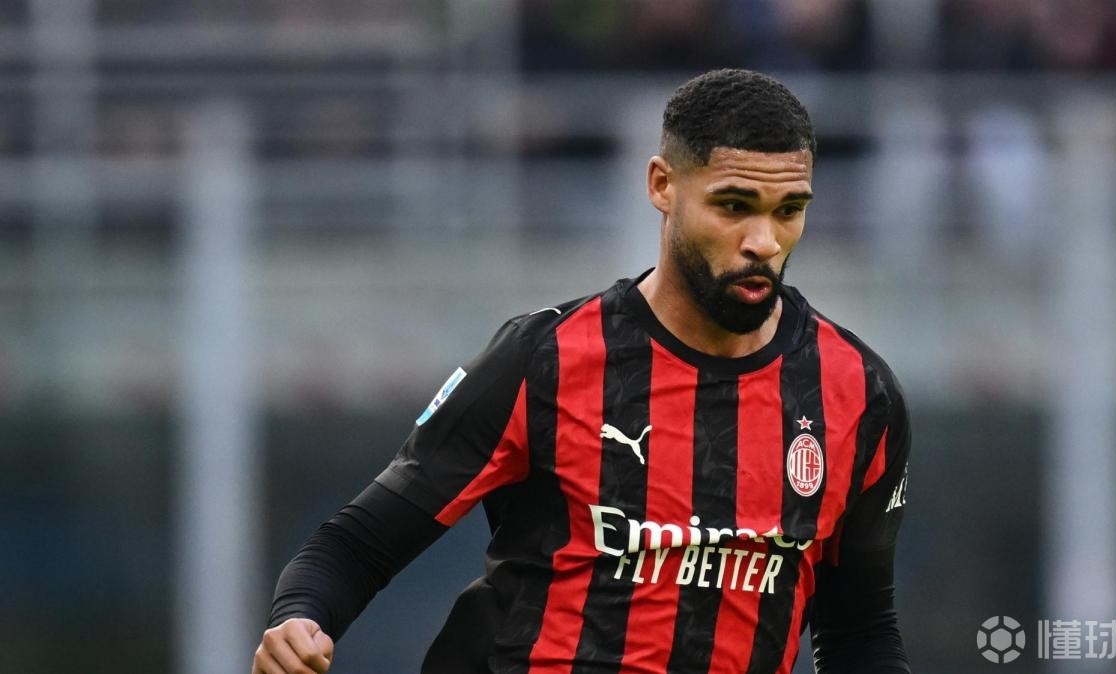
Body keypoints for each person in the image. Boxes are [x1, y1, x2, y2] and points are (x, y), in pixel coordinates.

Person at [253, 68, 911, 674]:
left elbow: (859, 632)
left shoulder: (858, 394)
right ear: (662, 186)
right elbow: (359, 544)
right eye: (734, 206)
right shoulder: (545, 359)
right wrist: (299, 620)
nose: (763, 242)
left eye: (788, 210)